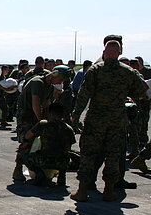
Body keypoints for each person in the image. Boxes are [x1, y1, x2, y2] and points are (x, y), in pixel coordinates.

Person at [69, 41, 149, 202]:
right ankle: (109, 190)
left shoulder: (95, 70)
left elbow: (83, 96)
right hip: (117, 120)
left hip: (95, 120)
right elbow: (142, 92)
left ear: (104, 52)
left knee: (88, 154)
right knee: (113, 155)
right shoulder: (128, 72)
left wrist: (75, 116)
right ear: (119, 53)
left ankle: (83, 190)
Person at [12, 66, 67, 181]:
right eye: (61, 79)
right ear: (54, 74)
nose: (61, 82)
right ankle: (18, 169)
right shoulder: (37, 83)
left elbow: (46, 104)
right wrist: (41, 122)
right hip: (26, 115)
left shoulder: (50, 87)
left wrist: (50, 120)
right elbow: (35, 104)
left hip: (35, 115)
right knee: (26, 140)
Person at [19, 102, 76, 186]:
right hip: (61, 162)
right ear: (63, 114)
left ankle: (39, 172)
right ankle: (62, 176)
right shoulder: (68, 129)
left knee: (23, 152)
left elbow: (27, 136)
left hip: (44, 160)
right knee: (66, 156)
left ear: (49, 113)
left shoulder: (43, 124)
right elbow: (68, 149)